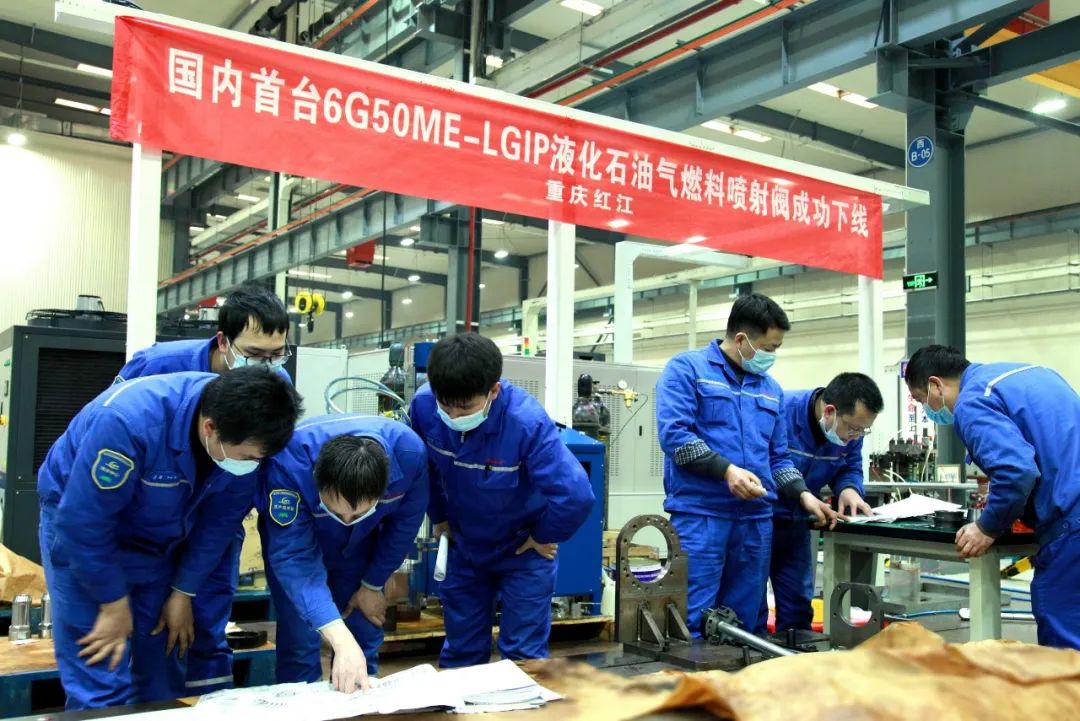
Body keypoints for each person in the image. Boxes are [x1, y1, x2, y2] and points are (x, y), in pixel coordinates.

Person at [37, 367, 302, 709]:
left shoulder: (247, 442)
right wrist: (112, 602)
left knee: (163, 659)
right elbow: (83, 521)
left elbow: (218, 524)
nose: (252, 465)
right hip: (83, 532)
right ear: (210, 428)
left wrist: (182, 591)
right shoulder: (128, 422)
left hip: (159, 537)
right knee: (102, 667)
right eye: (248, 457)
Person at [113, 285, 291, 695]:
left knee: (206, 619)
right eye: (255, 354)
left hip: (215, 515)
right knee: (145, 624)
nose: (267, 368)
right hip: (147, 519)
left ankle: (209, 703)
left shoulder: (274, 383)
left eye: (277, 355)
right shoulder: (157, 365)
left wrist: (185, 588)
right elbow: (110, 429)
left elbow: (235, 499)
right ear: (223, 342)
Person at [656, 292, 839, 636]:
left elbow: (778, 458)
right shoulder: (687, 370)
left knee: (744, 625)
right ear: (741, 340)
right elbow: (675, 438)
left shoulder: (771, 390)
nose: (772, 356)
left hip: (755, 520)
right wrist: (726, 471)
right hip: (702, 516)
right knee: (692, 618)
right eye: (768, 348)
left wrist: (802, 494)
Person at [408, 333, 595, 668]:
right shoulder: (423, 406)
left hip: (522, 552)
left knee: (523, 660)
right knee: (462, 654)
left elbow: (576, 495)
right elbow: (422, 469)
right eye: (445, 405)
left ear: (494, 390)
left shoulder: (525, 423)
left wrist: (543, 535)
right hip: (465, 547)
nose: (454, 415)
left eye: (465, 407)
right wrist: (439, 515)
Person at [904, 344, 1080, 650]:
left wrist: (987, 526)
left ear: (935, 385)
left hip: (1071, 522)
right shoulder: (1034, 374)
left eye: (921, 400)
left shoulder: (972, 402)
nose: (927, 410)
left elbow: (1016, 472)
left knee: (1065, 640)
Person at [259, 415, 428, 692]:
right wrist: (337, 636)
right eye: (336, 511)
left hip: (362, 548)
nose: (347, 520)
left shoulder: (409, 455)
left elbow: (404, 526)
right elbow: (293, 556)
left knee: (362, 629)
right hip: (300, 549)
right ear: (317, 479)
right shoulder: (288, 461)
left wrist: (373, 583)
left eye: (358, 513)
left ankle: (363, 703)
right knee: (300, 642)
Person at [760, 372, 882, 634]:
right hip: (759, 519)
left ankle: (796, 653)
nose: (855, 436)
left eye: (862, 431)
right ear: (829, 412)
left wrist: (849, 489)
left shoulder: (851, 431)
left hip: (796, 523)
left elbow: (849, 466)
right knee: (751, 603)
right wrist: (801, 494)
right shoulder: (780, 410)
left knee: (797, 606)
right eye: (853, 429)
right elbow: (766, 462)